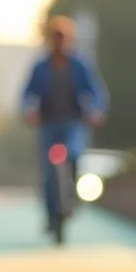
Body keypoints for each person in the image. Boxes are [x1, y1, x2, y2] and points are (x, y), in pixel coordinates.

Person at [20, 15, 110, 235]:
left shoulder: (80, 65)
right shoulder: (41, 66)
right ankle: (52, 216)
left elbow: (95, 91)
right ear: (49, 39)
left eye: (62, 38)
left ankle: (72, 195)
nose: (59, 42)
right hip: (48, 123)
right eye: (55, 37)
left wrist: (96, 110)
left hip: (73, 121)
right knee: (48, 173)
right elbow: (27, 93)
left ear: (69, 39)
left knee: (74, 153)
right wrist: (29, 110)